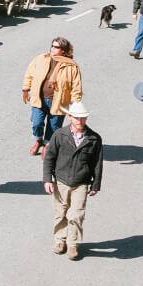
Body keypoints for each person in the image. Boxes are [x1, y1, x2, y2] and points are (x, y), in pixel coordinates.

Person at [43, 102, 102, 261]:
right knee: (60, 213)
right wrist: (48, 179)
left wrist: (95, 184)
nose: (80, 121)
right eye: (77, 118)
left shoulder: (94, 139)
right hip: (61, 181)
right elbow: (49, 158)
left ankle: (73, 244)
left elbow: (97, 163)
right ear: (70, 117)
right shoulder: (60, 135)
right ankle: (60, 241)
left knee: (76, 215)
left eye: (83, 118)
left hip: (81, 183)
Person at [22, 37, 83, 156]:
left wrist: (75, 105)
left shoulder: (72, 67)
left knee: (54, 126)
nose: (52, 48)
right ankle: (38, 140)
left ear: (63, 51)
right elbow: (29, 73)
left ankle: (47, 144)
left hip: (58, 102)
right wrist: (25, 88)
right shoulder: (41, 58)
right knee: (36, 123)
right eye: (52, 46)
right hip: (39, 98)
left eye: (56, 47)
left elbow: (77, 87)